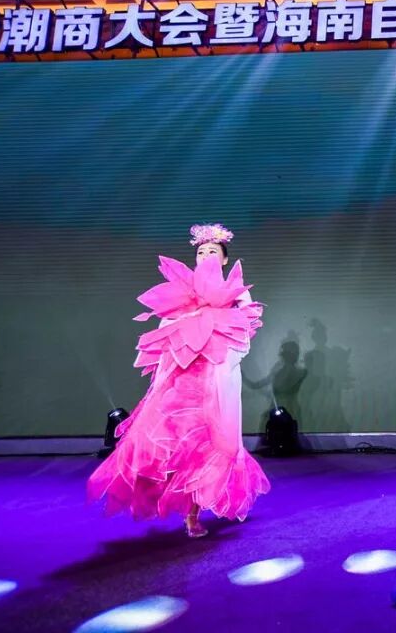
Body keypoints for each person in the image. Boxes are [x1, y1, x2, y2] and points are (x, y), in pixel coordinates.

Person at [88, 224, 270, 537]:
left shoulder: (236, 290)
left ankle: (192, 515)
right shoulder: (183, 289)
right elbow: (166, 330)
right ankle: (161, 497)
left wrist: (216, 344)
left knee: (208, 445)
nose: (206, 256)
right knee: (169, 442)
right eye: (201, 252)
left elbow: (245, 333)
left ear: (225, 259)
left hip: (214, 378)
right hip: (181, 378)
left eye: (213, 251)